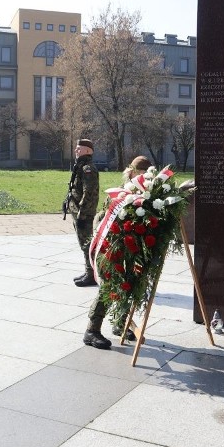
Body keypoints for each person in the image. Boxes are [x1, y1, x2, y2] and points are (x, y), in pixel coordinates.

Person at [82, 155, 152, 350]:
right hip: (110, 246)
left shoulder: (146, 195)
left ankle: (120, 322)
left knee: (129, 283)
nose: (145, 179)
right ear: (132, 173)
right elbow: (102, 220)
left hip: (130, 247)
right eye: (142, 175)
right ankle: (92, 330)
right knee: (108, 286)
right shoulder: (119, 194)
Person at [70, 139, 100, 288]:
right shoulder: (80, 166)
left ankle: (92, 274)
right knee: (83, 244)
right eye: (76, 148)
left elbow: (89, 193)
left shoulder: (88, 168)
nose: (76, 151)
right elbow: (76, 188)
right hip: (78, 211)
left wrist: (82, 214)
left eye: (79, 149)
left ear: (88, 151)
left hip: (84, 214)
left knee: (87, 244)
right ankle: (88, 271)